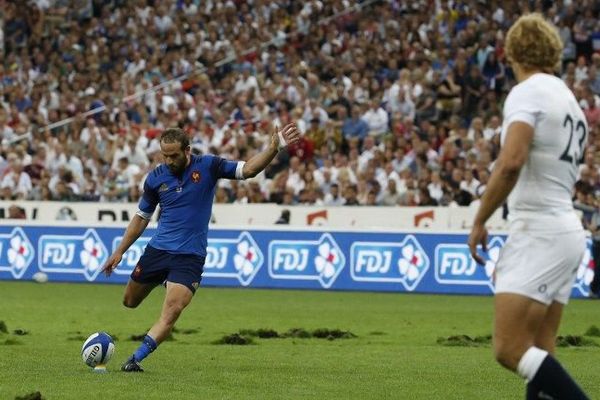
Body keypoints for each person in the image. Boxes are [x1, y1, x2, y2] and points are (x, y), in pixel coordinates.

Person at [102, 124, 300, 372]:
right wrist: (120, 251)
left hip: (189, 257)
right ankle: (164, 279)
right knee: (129, 301)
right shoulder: (155, 178)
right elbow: (141, 217)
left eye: (174, 155)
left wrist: (273, 148)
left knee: (172, 310)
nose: (169, 160)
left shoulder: (208, 166)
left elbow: (248, 169)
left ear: (187, 150)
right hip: (158, 251)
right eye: (165, 155)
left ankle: (135, 360)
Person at [467, 14, 590, 399]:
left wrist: (479, 219)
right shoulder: (569, 99)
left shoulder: (527, 93)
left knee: (509, 349)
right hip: (566, 230)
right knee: (540, 350)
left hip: (539, 230)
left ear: (510, 53)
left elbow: (512, 161)